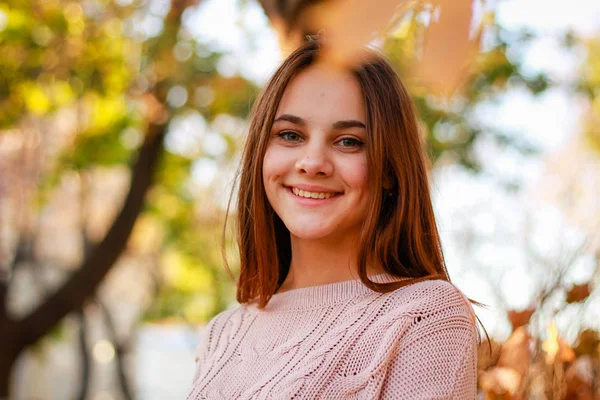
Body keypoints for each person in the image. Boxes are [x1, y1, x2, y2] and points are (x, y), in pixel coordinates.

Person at [187, 38, 479, 399]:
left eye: (348, 142)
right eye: (290, 135)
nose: (312, 163)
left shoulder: (424, 317)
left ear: (389, 168)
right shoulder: (224, 333)